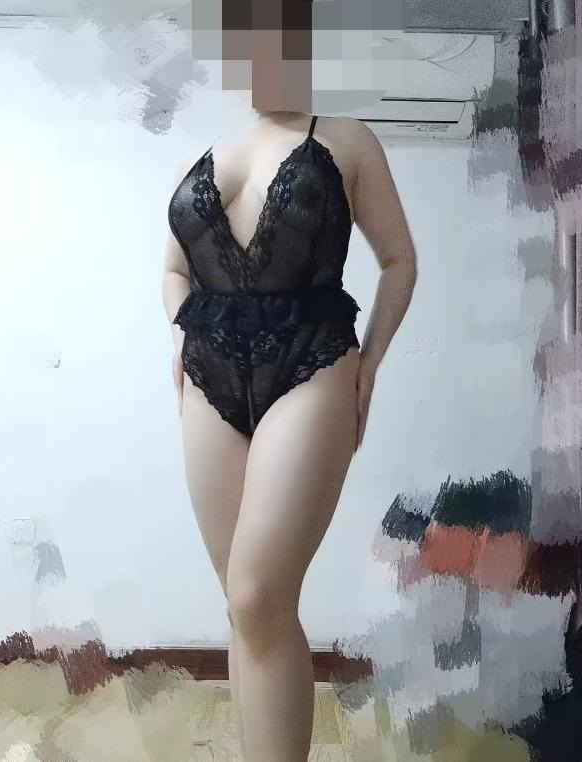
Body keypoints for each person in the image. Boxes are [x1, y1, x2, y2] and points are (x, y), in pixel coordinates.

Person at [161, 26, 417, 762]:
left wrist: (370, 364)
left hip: (312, 359)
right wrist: (179, 334)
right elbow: (174, 269)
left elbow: (399, 261)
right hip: (210, 370)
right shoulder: (202, 154)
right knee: (243, 609)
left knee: (258, 596)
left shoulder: (345, 140)